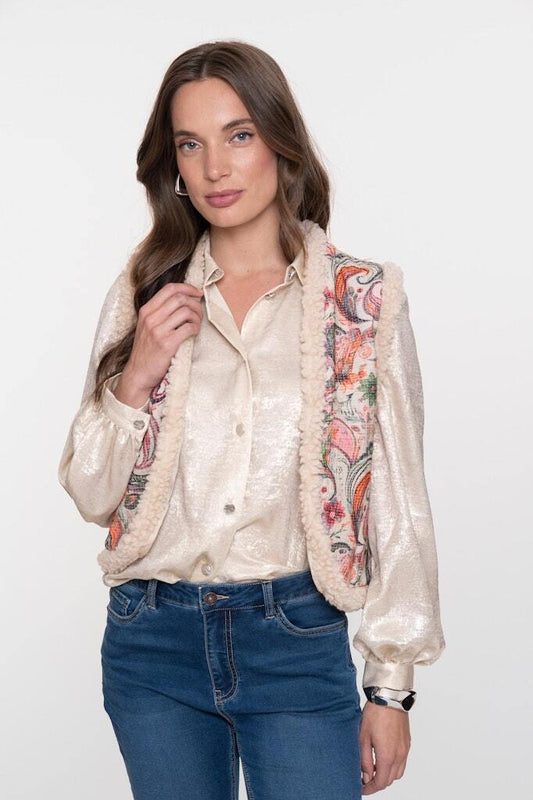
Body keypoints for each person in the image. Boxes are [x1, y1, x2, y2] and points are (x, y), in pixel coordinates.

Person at [57, 40, 445, 800]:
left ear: (280, 142)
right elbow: (90, 493)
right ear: (172, 164)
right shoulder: (144, 291)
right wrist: (136, 374)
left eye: (238, 135)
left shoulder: (360, 302)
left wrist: (390, 687)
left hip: (294, 638)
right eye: (190, 144)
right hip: (151, 640)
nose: (215, 168)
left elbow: (398, 503)